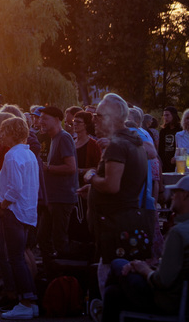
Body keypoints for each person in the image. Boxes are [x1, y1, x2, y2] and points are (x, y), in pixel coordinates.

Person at [80, 93, 148, 297]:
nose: (94, 120)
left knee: (109, 281)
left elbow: (111, 186)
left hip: (114, 225)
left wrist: (91, 177)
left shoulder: (117, 145)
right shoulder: (132, 141)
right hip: (125, 221)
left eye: (98, 115)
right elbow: (123, 183)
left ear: (112, 118)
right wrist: (94, 190)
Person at [101, 174, 189, 321]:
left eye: (176, 193)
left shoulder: (178, 233)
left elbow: (162, 281)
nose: (172, 197)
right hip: (181, 299)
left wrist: (143, 269)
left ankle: (101, 307)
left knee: (118, 263)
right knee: (113, 292)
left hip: (166, 301)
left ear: (185, 195)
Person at [0, 117, 39, 320]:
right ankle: (31, 301)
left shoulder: (12, 155)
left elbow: (15, 187)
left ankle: (25, 303)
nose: (0, 136)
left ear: (12, 133)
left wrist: (3, 204)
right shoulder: (29, 154)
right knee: (19, 256)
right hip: (27, 211)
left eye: (4, 132)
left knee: (15, 258)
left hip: (14, 211)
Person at [37, 105, 78, 269]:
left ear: (56, 120)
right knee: (43, 237)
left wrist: (47, 168)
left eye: (44, 119)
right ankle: (50, 272)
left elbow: (71, 167)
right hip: (52, 198)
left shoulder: (64, 138)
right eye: (40, 118)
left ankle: (64, 276)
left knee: (59, 240)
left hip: (62, 198)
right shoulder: (54, 138)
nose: (41, 122)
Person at [73, 111, 101, 182]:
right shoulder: (71, 141)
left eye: (78, 122)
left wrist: (80, 171)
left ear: (86, 125)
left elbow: (98, 168)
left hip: (83, 183)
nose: (75, 124)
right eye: (74, 121)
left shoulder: (93, 145)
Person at [158, 106, 181, 172]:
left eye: (167, 115)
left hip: (177, 161)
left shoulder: (180, 130)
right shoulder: (163, 131)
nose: (165, 117)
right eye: (164, 115)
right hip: (165, 162)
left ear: (173, 115)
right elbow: (161, 148)